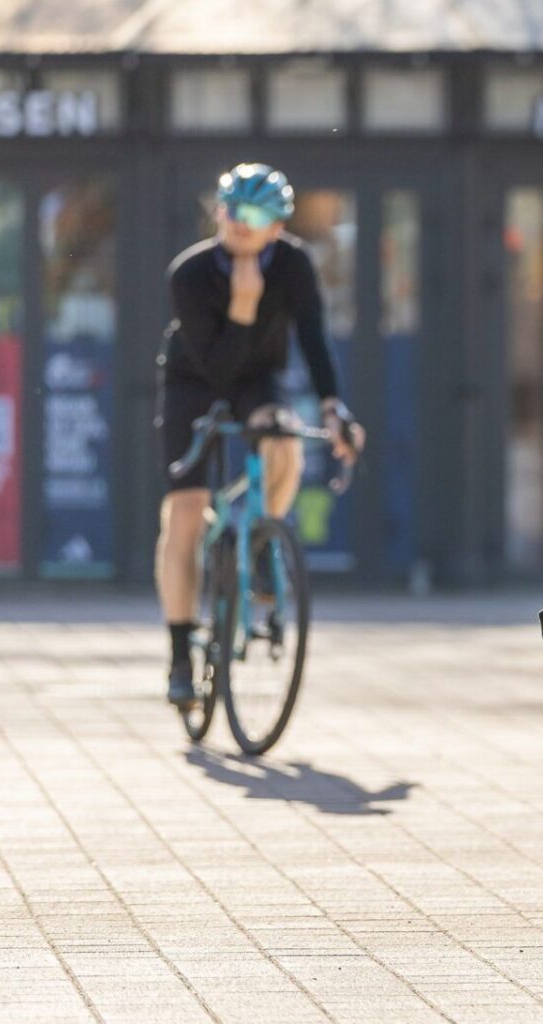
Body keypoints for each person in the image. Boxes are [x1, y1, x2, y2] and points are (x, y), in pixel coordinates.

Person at [155, 164, 362, 708]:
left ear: (278, 226)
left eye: (255, 216)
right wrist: (244, 305)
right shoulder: (190, 274)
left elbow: (315, 338)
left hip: (258, 379)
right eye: (231, 211)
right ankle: (180, 654)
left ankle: (260, 534)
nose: (240, 225)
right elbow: (218, 371)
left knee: (285, 440)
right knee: (184, 513)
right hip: (194, 381)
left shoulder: (293, 264)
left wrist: (334, 407)